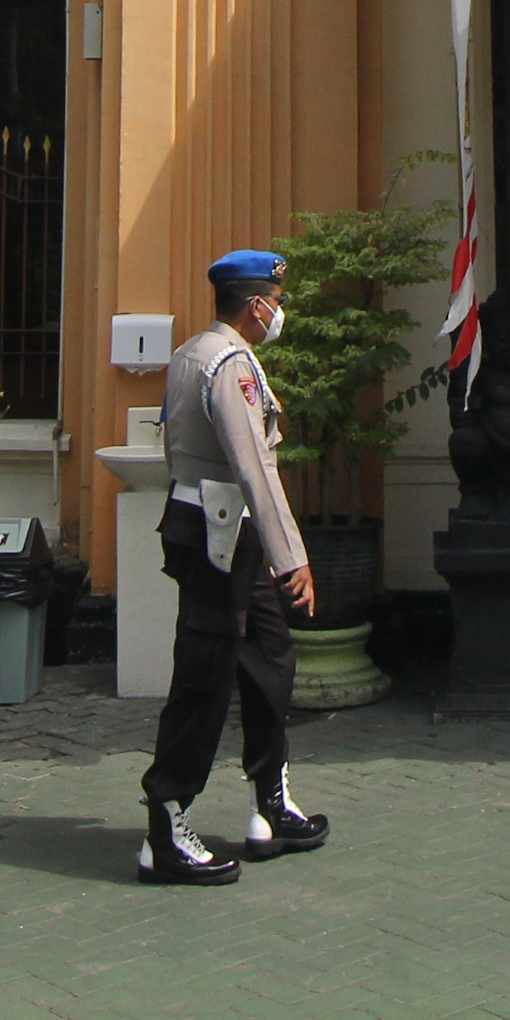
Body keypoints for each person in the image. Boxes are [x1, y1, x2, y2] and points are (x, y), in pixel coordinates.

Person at [136, 249, 326, 883]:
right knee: (207, 673)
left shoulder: (196, 352)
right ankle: (167, 821)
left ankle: (270, 801)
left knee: (270, 656)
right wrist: (291, 556)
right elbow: (253, 466)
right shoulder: (230, 364)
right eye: (277, 299)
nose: (280, 310)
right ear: (256, 306)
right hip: (222, 533)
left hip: (226, 530)